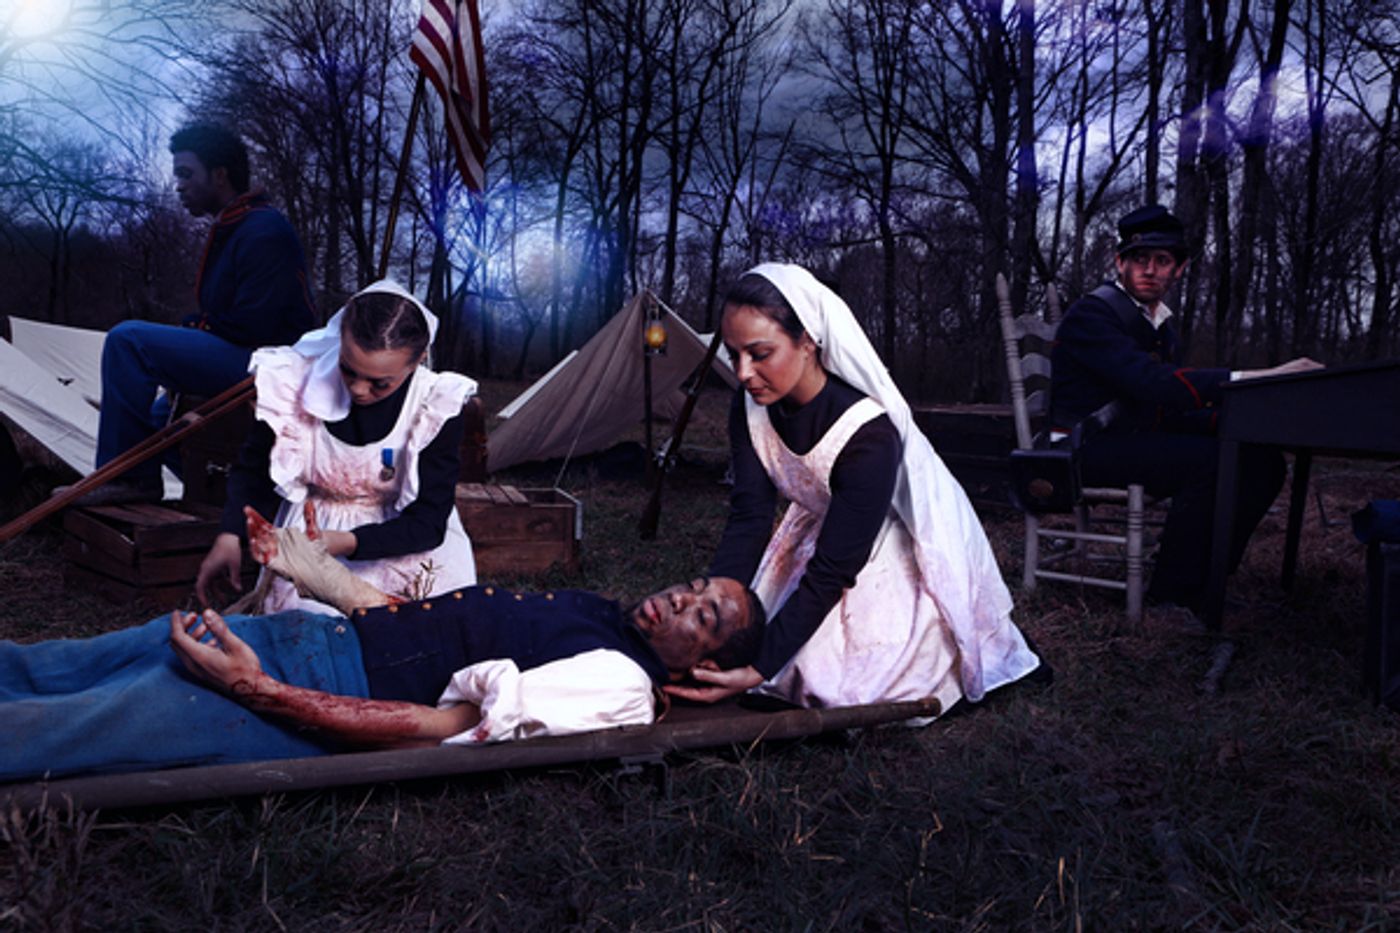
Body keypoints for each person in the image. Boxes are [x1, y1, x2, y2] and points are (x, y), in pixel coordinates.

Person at [0, 516, 764, 782]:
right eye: (694, 586)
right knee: (63, 662)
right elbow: (425, 627)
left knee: (79, 724)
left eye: (702, 619)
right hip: (305, 636)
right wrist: (313, 572)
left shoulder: (618, 683)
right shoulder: (606, 613)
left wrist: (258, 691)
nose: (679, 599)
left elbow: (448, 729)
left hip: (291, 701)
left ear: (701, 665)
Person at [673, 263, 1042, 712]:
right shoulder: (749, 406)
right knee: (755, 640)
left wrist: (757, 668)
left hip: (880, 545)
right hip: (817, 529)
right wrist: (718, 618)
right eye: (734, 355)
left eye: (760, 353)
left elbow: (833, 568)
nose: (744, 372)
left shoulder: (870, 434)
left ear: (807, 341)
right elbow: (750, 516)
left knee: (833, 683)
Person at [1050, 204, 1322, 614]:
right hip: (1084, 447)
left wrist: (1235, 423)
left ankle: (1207, 580)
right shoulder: (1094, 314)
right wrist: (1258, 377)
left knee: (1262, 461)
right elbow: (1152, 384)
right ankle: (1171, 595)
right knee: (1211, 463)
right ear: (1119, 262)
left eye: (1163, 261)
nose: (1150, 270)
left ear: (1179, 270)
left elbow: (1162, 408)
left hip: (1131, 437)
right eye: (1139, 259)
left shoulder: (1157, 324)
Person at [195, 279, 476, 613]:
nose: (358, 389)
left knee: (415, 633)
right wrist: (230, 534)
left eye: (380, 383)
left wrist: (342, 543)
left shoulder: (434, 406)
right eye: (348, 369)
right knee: (316, 629)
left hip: (402, 541)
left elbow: (428, 523)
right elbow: (256, 469)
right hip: (313, 533)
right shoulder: (294, 381)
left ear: (418, 360)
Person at [77, 122, 317, 505]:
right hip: (250, 356)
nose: (179, 186)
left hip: (271, 366)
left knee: (129, 340)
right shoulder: (236, 225)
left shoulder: (264, 230)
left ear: (220, 175)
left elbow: (259, 325)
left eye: (186, 174)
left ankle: (130, 479)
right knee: (160, 424)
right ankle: (217, 502)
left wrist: (197, 325)